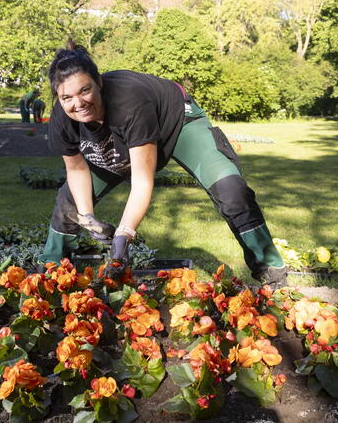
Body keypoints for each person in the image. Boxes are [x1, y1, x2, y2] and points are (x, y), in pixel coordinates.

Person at [39, 41, 287, 286]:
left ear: (99, 83)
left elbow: (142, 181)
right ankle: (51, 276)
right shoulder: (63, 120)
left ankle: (270, 270)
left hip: (177, 125)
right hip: (117, 141)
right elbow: (76, 169)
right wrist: (88, 218)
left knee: (231, 189)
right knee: (68, 202)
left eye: (85, 90)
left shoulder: (130, 102)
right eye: (67, 97)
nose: (78, 103)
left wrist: (123, 236)